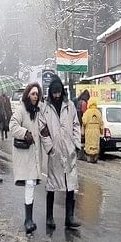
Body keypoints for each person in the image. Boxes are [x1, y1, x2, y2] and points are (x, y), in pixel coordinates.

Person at [39, 76, 82, 229]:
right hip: (55, 152)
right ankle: (49, 217)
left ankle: (69, 217)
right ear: (50, 93)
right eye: (54, 93)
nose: (56, 96)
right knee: (52, 183)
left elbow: (76, 125)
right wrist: (50, 148)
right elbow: (42, 130)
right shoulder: (45, 108)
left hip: (69, 150)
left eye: (58, 92)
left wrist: (76, 144)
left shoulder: (70, 106)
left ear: (62, 92)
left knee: (70, 183)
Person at [10, 83, 44, 234]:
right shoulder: (21, 109)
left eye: (37, 94)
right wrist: (25, 133)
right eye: (33, 94)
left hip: (35, 153)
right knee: (30, 183)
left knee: (31, 183)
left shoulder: (39, 110)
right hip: (25, 154)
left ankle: (29, 219)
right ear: (27, 95)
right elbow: (13, 125)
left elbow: (43, 128)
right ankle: (28, 219)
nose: (35, 97)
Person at [82, 97, 103, 163]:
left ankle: (89, 158)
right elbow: (101, 123)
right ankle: (95, 158)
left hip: (89, 131)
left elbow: (84, 121)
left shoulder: (87, 112)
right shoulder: (98, 112)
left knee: (89, 143)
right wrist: (101, 131)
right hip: (97, 131)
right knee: (96, 144)